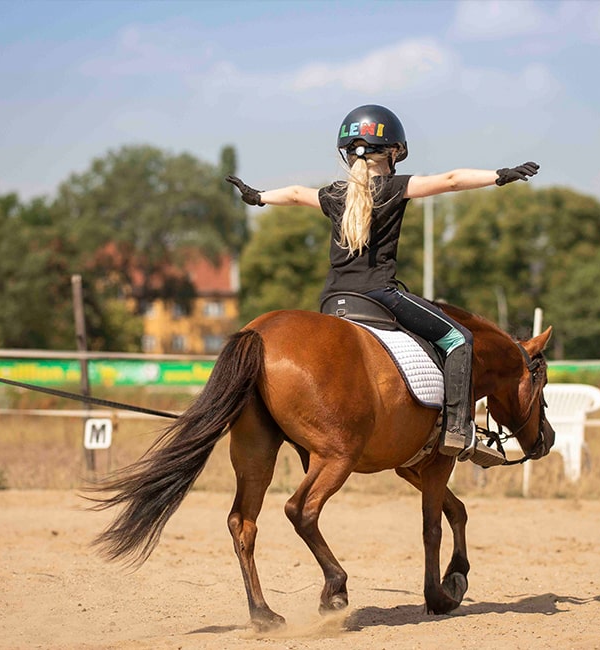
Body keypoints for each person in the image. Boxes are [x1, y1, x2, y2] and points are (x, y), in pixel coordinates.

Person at [226, 104, 539, 467]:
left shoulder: (334, 194)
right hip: (378, 296)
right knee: (459, 338)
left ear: (348, 154)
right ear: (393, 152)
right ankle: (456, 429)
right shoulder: (395, 187)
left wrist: (258, 196)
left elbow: (295, 193)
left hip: (332, 299)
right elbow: (453, 180)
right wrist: (499, 175)